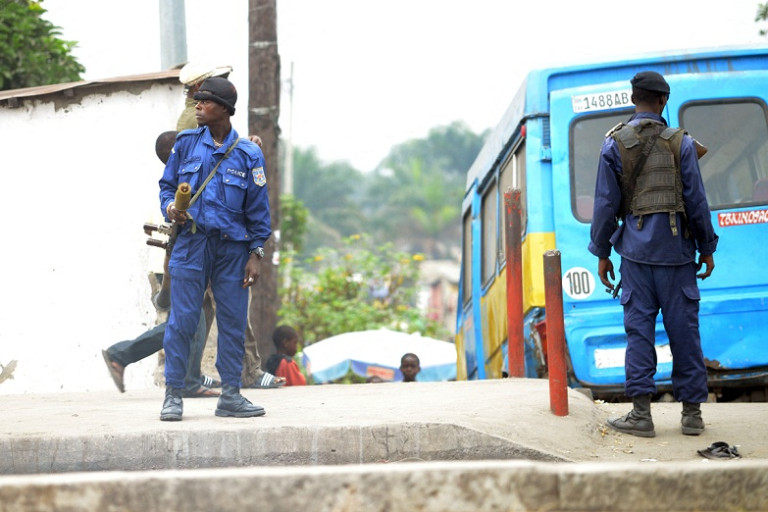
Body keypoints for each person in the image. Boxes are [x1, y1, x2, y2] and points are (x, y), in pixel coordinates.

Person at [588, 71, 718, 438]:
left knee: (639, 334)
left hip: (635, 258)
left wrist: (602, 252)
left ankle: (642, 415)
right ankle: (692, 415)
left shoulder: (614, 144)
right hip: (677, 256)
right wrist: (707, 248)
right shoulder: (683, 144)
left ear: (633, 99)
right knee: (685, 334)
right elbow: (697, 201)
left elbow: (605, 205)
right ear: (664, 100)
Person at [159, 76, 271, 421]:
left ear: (223, 109)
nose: (198, 106)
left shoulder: (249, 154)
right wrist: (170, 208)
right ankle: (173, 395)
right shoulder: (185, 144)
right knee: (182, 322)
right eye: (197, 100)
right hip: (191, 244)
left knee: (233, 322)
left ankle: (231, 396)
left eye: (204, 101)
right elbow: (166, 187)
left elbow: (259, 211)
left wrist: (256, 254)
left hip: (232, 251)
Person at [176, 62, 282, 390]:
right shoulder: (191, 126)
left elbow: (257, 209)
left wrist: (256, 252)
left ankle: (227, 383)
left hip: (227, 243)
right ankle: (187, 381)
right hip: (198, 240)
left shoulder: (239, 147)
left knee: (223, 314)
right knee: (193, 316)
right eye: (215, 86)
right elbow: (178, 176)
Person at [102, 130, 220, 398]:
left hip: (179, 262)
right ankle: (122, 354)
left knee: (194, 320)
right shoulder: (178, 184)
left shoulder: (182, 177)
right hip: (171, 264)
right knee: (188, 320)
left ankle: (188, 380)